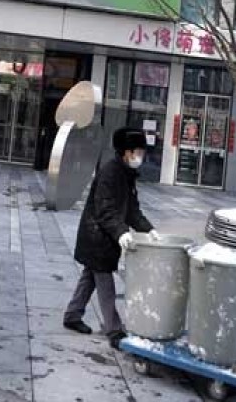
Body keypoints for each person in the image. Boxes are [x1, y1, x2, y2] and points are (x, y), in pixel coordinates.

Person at [63, 127, 158, 349]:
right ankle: (114, 330)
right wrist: (121, 232)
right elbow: (105, 209)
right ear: (126, 152)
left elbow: (132, 209)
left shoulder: (126, 174)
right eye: (138, 152)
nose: (140, 157)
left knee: (89, 278)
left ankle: (72, 315)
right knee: (105, 284)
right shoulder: (110, 172)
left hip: (104, 236)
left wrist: (148, 229)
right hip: (97, 236)